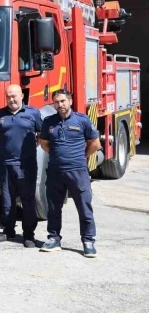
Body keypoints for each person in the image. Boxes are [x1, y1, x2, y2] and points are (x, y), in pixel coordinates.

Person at [39, 90, 100, 258]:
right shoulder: (49, 122)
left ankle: (88, 241)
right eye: (57, 102)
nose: (60, 105)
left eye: (63, 101)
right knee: (53, 208)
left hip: (77, 172)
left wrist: (80, 157)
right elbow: (44, 144)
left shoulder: (82, 120)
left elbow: (95, 144)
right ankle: (53, 238)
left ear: (70, 101)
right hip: (55, 172)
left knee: (84, 207)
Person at [0, 85, 42, 248]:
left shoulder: (33, 113)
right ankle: (8, 230)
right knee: (7, 200)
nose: (12, 99)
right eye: (8, 96)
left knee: (27, 200)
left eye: (14, 96)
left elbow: (40, 136)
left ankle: (28, 235)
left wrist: (27, 151)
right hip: (6, 163)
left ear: (22, 96)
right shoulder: (0, 114)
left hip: (26, 165)